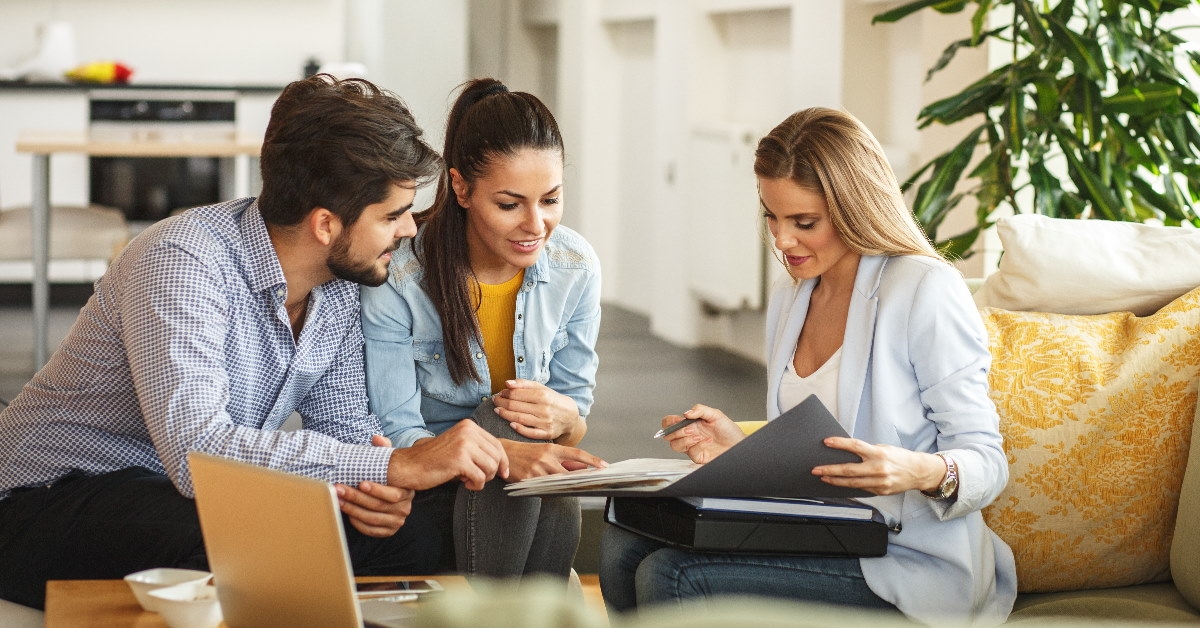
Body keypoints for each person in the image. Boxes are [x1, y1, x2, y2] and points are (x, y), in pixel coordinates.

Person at [0, 74, 510, 609]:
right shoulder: (182, 261)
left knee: (414, 534)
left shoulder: (336, 288)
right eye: (391, 215)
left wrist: (373, 492)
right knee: (242, 534)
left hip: (184, 495)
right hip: (45, 500)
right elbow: (198, 451)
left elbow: (347, 431)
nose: (408, 230)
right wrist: (391, 466)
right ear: (325, 225)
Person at [598, 107, 1017, 625]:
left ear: (855, 208)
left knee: (673, 574)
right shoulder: (792, 295)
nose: (781, 240)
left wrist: (918, 471)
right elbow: (816, 448)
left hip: (905, 560)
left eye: (804, 222)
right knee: (623, 544)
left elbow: (988, 463)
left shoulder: (924, 289)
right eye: (771, 216)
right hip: (818, 533)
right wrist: (741, 445)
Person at [360, 78, 604, 581]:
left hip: (524, 489)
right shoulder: (401, 277)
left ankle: (514, 610)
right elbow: (397, 432)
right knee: (500, 420)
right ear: (461, 188)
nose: (536, 225)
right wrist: (504, 453)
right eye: (511, 205)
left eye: (551, 200)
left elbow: (574, 419)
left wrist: (564, 417)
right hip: (433, 483)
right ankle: (536, 605)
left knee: (534, 445)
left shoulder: (575, 266)